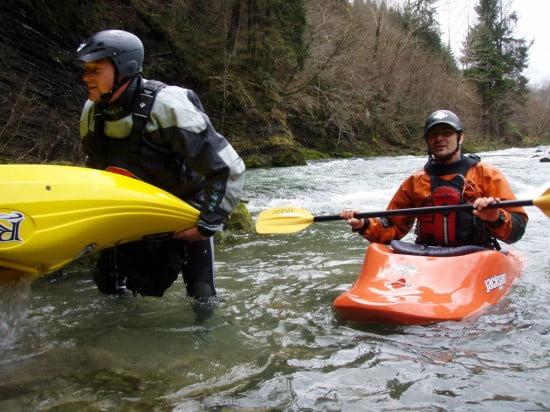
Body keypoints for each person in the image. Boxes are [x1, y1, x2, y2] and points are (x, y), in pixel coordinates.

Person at [74, 29, 245, 303]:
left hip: (184, 211)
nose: (86, 76)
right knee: (109, 290)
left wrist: (206, 225)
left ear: (124, 68)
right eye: (85, 69)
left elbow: (227, 168)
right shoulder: (91, 112)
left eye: (95, 68)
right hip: (129, 213)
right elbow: (94, 170)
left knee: (203, 298)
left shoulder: (168, 106)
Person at [340, 109, 528, 248]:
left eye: (447, 133)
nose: (440, 139)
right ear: (428, 141)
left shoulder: (486, 174)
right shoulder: (415, 181)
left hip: (475, 254)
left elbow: (516, 230)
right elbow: (393, 226)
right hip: (428, 255)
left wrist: (494, 217)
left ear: (460, 138)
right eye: (434, 135)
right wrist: (363, 224)